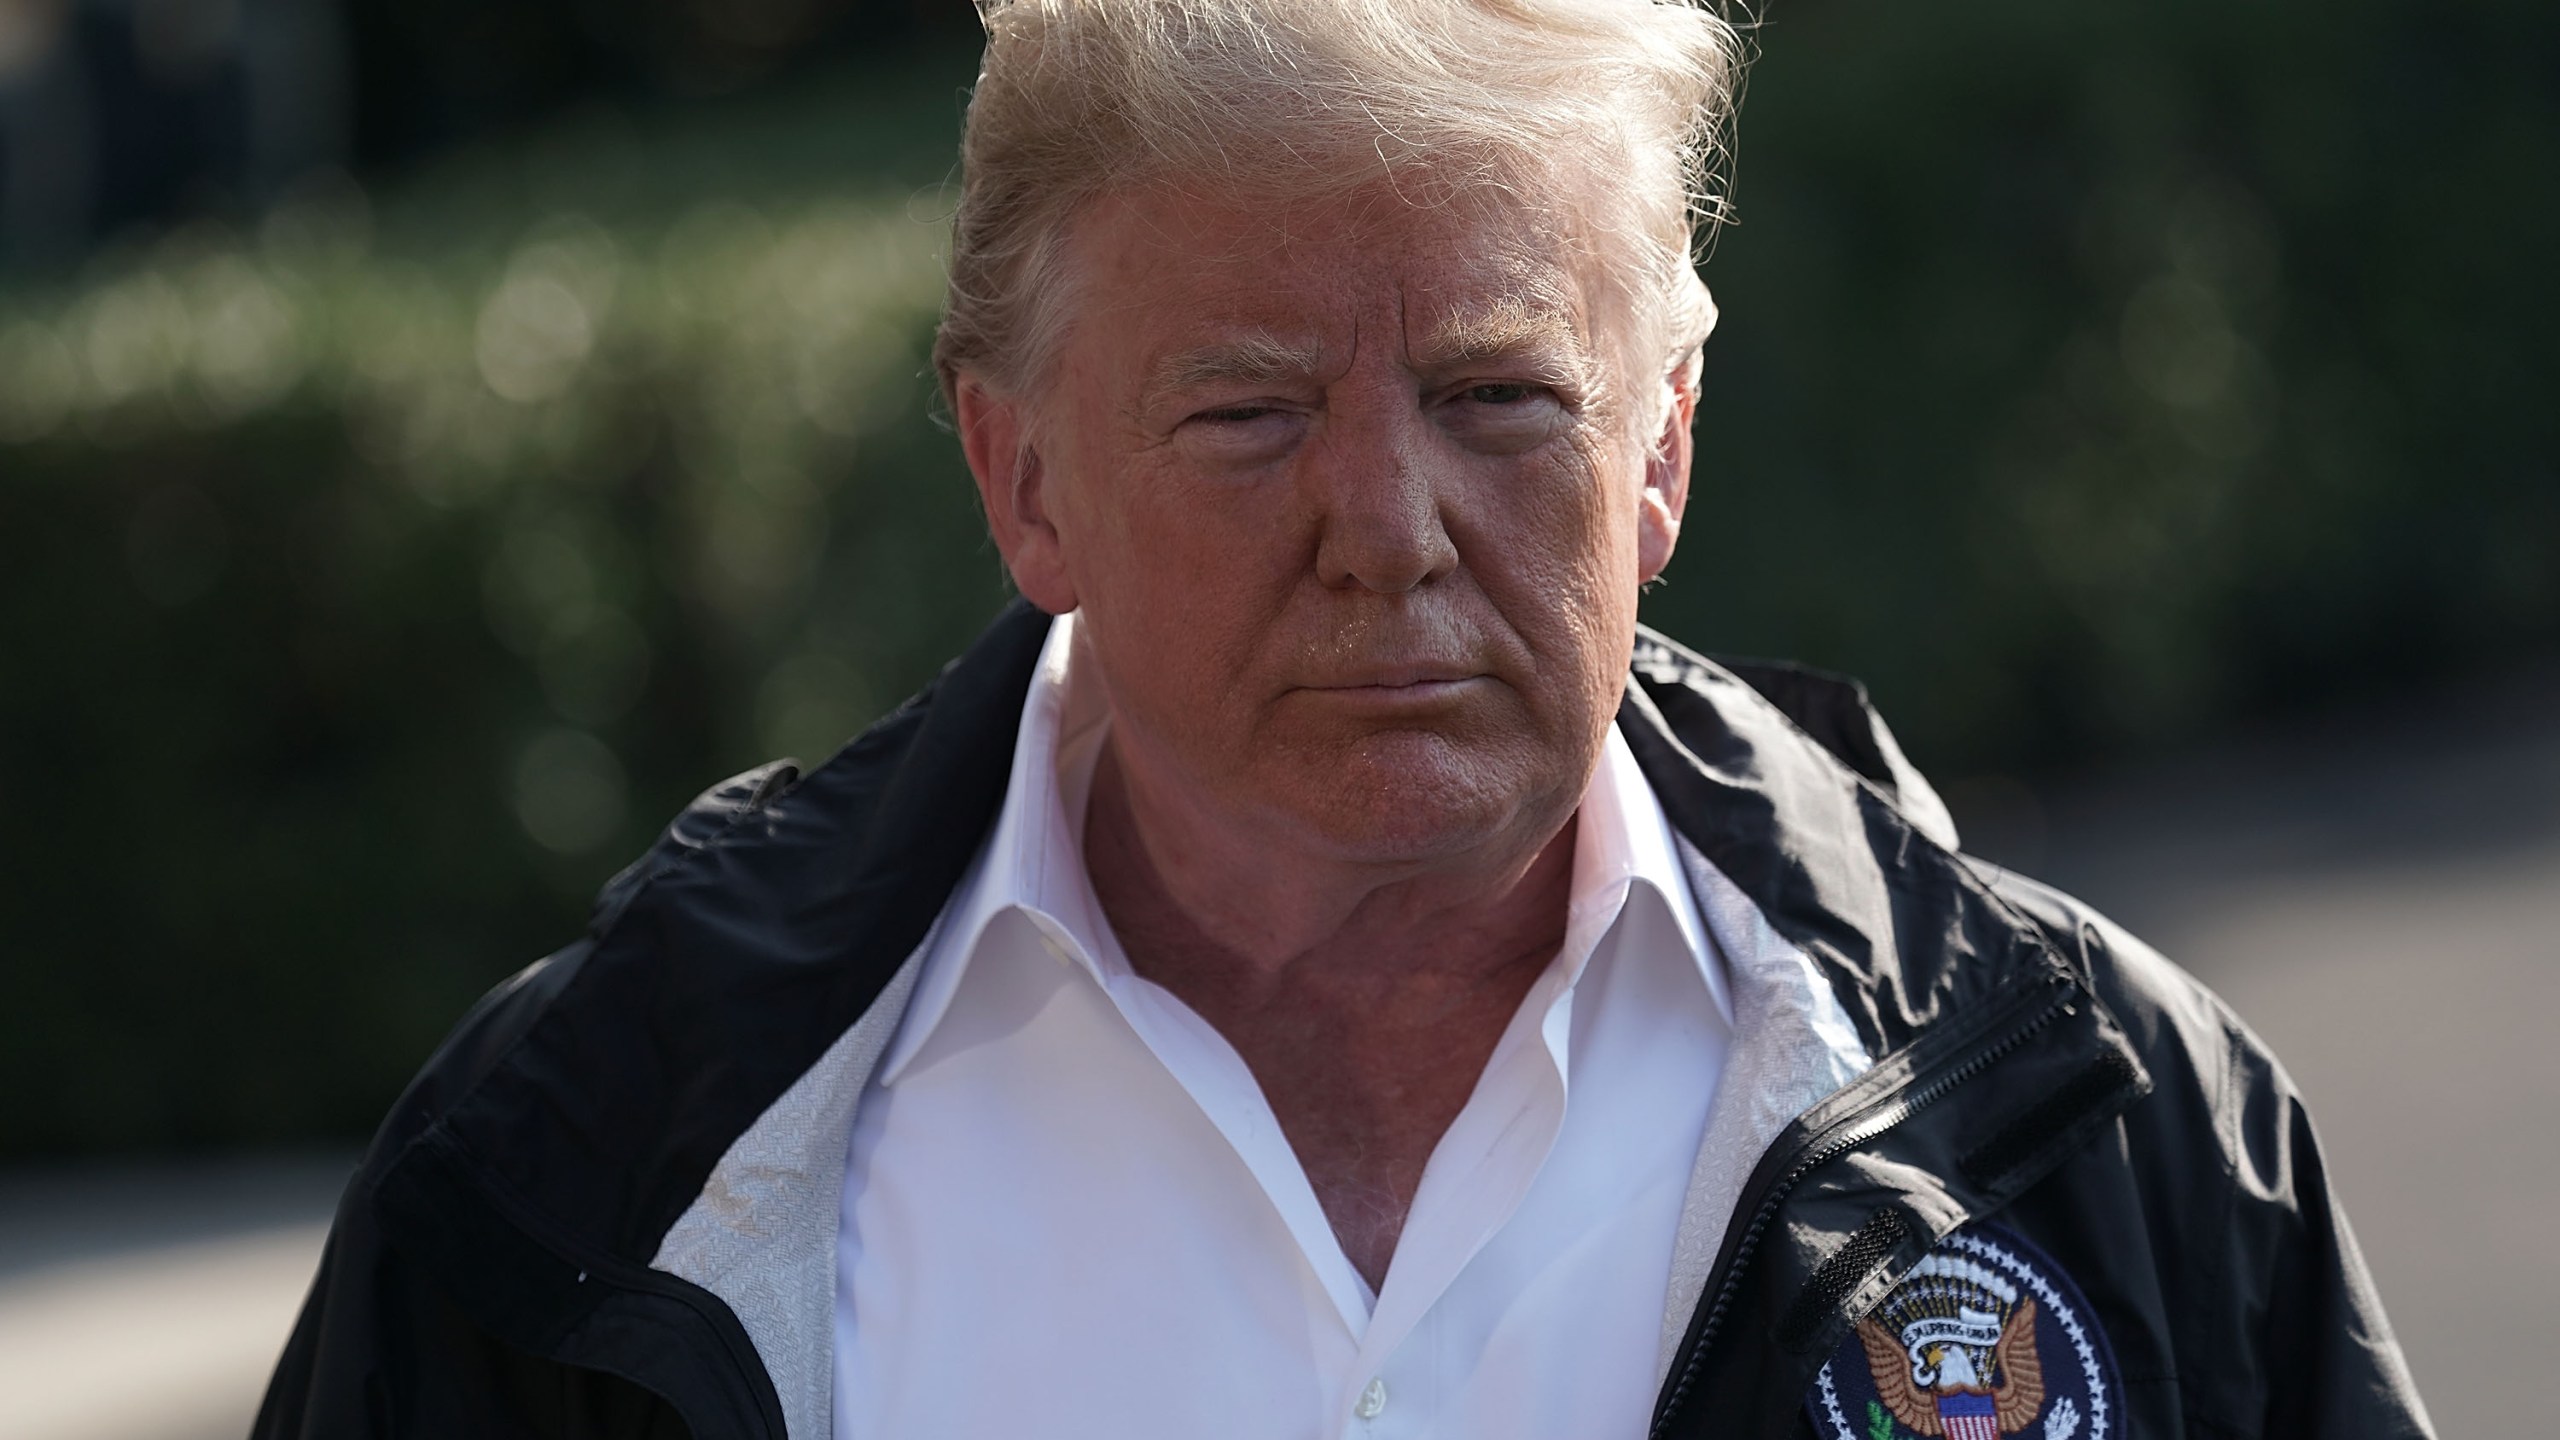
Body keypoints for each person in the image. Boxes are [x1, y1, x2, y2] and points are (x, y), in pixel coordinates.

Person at [257, 1, 2435, 1436]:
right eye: (1247, 413)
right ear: (1020, 475)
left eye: (1499, 397)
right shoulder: (572, 1169)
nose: (1385, 527)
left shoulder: (2100, 1129)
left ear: (1658, 444)